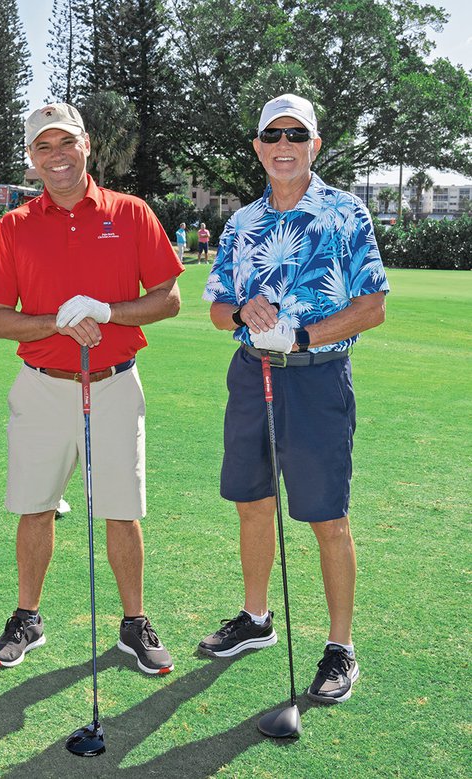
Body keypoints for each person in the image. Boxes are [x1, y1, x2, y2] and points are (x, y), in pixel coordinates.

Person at [0, 103, 183, 674]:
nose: (56, 156)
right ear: (30, 158)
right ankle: (27, 617)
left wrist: (107, 311)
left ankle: (134, 622)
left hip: (114, 384)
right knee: (34, 505)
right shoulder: (14, 225)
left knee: (121, 510)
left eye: (65, 143)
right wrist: (57, 321)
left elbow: (169, 298)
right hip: (42, 386)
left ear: (86, 145)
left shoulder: (131, 212)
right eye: (43, 147)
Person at [199, 93, 388, 703]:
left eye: (296, 136)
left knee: (326, 517)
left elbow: (371, 306)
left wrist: (300, 333)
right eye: (273, 136)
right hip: (252, 375)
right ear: (258, 147)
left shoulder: (346, 213)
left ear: (315, 145)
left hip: (316, 376)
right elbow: (217, 306)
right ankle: (255, 620)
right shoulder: (243, 221)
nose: (284, 146)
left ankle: (340, 647)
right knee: (252, 502)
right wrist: (243, 313)